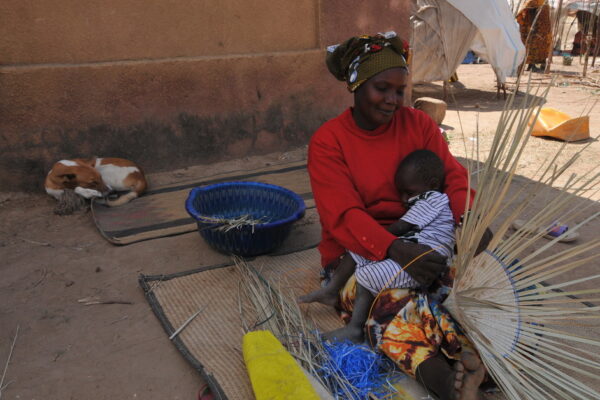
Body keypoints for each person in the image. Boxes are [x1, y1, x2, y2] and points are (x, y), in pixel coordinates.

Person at [305, 31, 491, 400]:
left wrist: (467, 219)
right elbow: (343, 216)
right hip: (357, 255)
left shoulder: (419, 125)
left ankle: (483, 357)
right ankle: (447, 384)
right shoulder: (329, 142)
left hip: (422, 240)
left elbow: (452, 176)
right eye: (381, 88)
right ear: (356, 84)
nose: (392, 100)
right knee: (388, 305)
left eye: (400, 90)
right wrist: (397, 249)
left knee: (463, 287)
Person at [300, 149, 455, 344]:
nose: (403, 200)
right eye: (401, 193)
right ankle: (331, 290)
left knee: (367, 274)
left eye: (409, 193)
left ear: (432, 184)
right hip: (410, 249)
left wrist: (378, 240)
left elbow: (400, 227)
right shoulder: (423, 197)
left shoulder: (434, 199)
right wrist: (372, 244)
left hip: (423, 263)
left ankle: (355, 328)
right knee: (359, 250)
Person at [516, 0, 552, 72]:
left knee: (541, 46)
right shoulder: (533, 2)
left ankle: (540, 64)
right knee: (532, 46)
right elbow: (523, 12)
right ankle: (532, 65)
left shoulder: (544, 3)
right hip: (534, 28)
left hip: (542, 29)